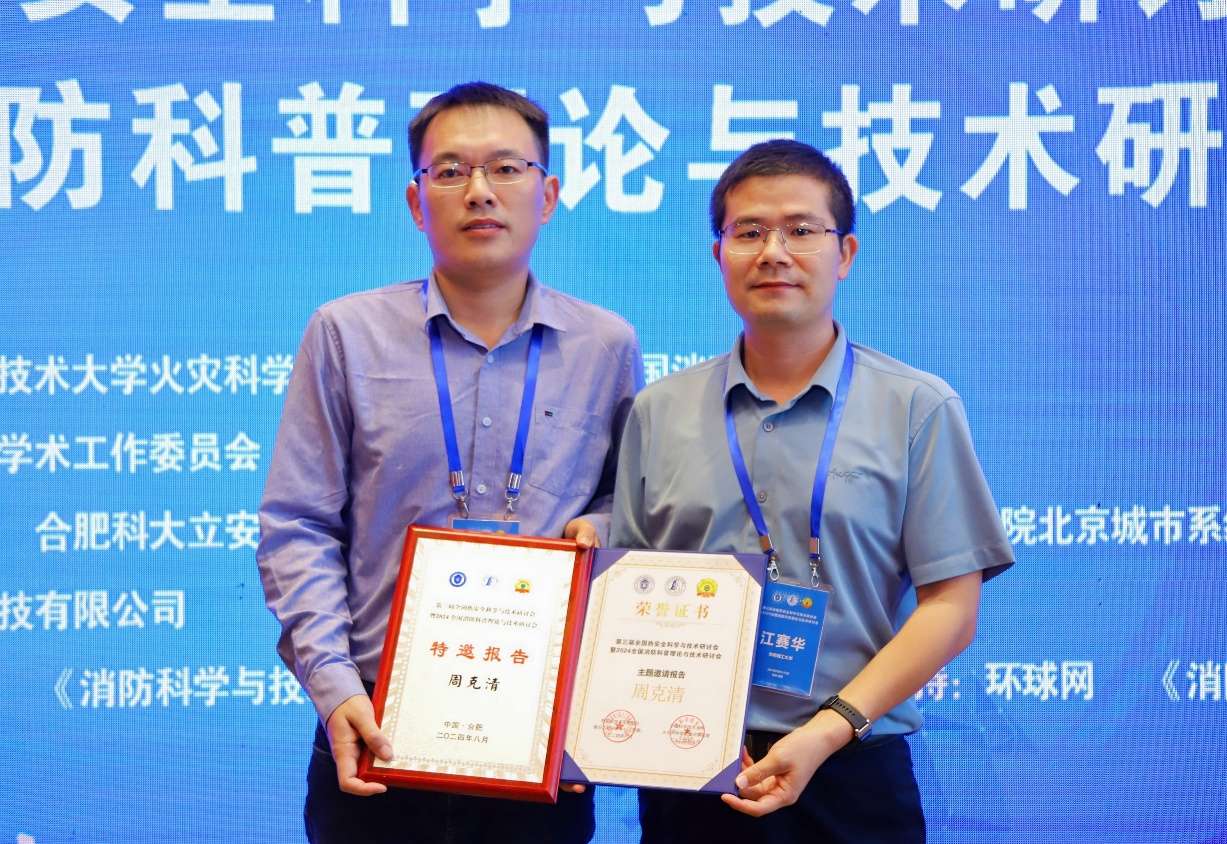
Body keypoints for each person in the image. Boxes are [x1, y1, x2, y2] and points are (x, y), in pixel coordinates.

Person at [257, 81, 643, 844]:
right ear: (415, 200)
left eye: (506, 168)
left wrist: (599, 527)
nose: (479, 191)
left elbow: (627, 504)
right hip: (377, 723)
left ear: (548, 194)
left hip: (538, 725)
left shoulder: (607, 345)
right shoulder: (344, 333)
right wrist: (334, 689)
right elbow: (298, 525)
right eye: (450, 171)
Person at [609, 138, 1014, 843]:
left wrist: (828, 730)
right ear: (718, 254)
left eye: (801, 230)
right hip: (691, 766)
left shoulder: (916, 407)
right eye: (748, 232)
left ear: (845, 253)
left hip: (852, 766)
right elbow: (627, 598)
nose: (774, 252)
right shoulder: (657, 411)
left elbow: (951, 607)